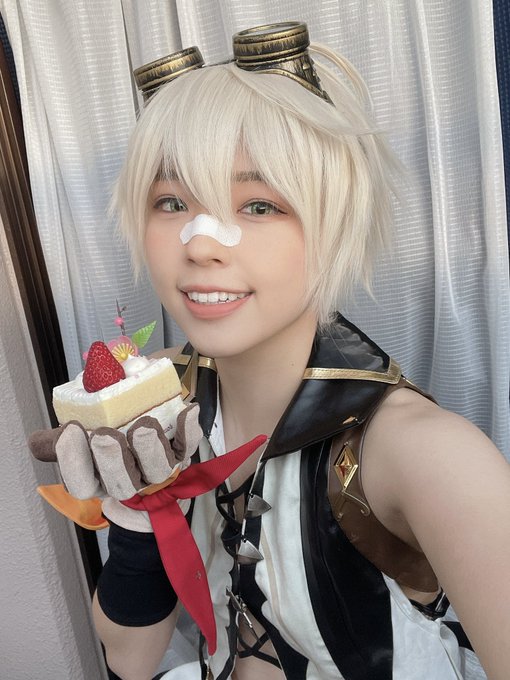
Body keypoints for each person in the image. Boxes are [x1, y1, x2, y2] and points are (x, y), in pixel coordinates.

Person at [32, 22, 510, 680]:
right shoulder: (162, 400)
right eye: (171, 200)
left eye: (258, 205)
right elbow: (131, 657)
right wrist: (140, 513)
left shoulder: (428, 456)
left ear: (335, 218)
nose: (201, 243)